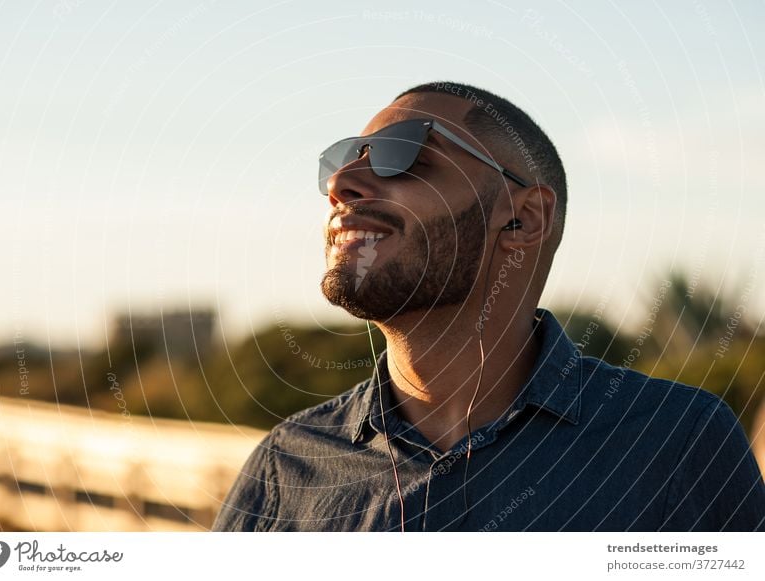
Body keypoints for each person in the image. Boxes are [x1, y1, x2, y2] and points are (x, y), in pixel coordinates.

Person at [213, 81, 765, 531]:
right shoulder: (285, 470)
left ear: (523, 217)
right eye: (339, 160)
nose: (340, 183)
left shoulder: (673, 442)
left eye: (400, 154)